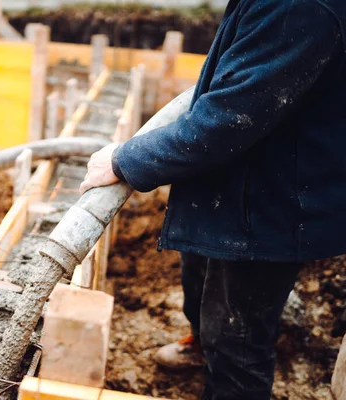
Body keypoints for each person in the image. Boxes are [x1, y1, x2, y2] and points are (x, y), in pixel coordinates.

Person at [79, 0, 346, 398]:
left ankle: (226, 374)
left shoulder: (300, 6)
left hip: (271, 202)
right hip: (240, 177)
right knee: (199, 272)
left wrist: (127, 160)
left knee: (237, 341)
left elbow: (232, 116)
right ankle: (201, 345)